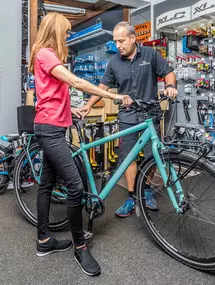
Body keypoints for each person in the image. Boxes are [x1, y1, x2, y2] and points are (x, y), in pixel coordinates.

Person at [28, 13, 132, 276]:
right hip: (50, 130)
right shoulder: (46, 53)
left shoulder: (45, 55)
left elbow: (51, 94)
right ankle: (80, 246)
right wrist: (113, 95)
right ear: (55, 30)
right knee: (75, 187)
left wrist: (72, 110)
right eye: (64, 32)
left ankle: (44, 241)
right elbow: (75, 81)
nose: (67, 36)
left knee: (47, 185)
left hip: (53, 125)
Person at [79, 21, 178, 218]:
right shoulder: (114, 62)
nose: (118, 45)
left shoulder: (150, 55)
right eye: (116, 42)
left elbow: (168, 73)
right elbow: (103, 87)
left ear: (133, 38)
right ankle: (132, 197)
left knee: (152, 157)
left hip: (150, 115)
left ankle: (147, 190)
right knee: (128, 158)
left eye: (122, 41)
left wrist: (170, 86)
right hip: (128, 117)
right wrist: (89, 105)